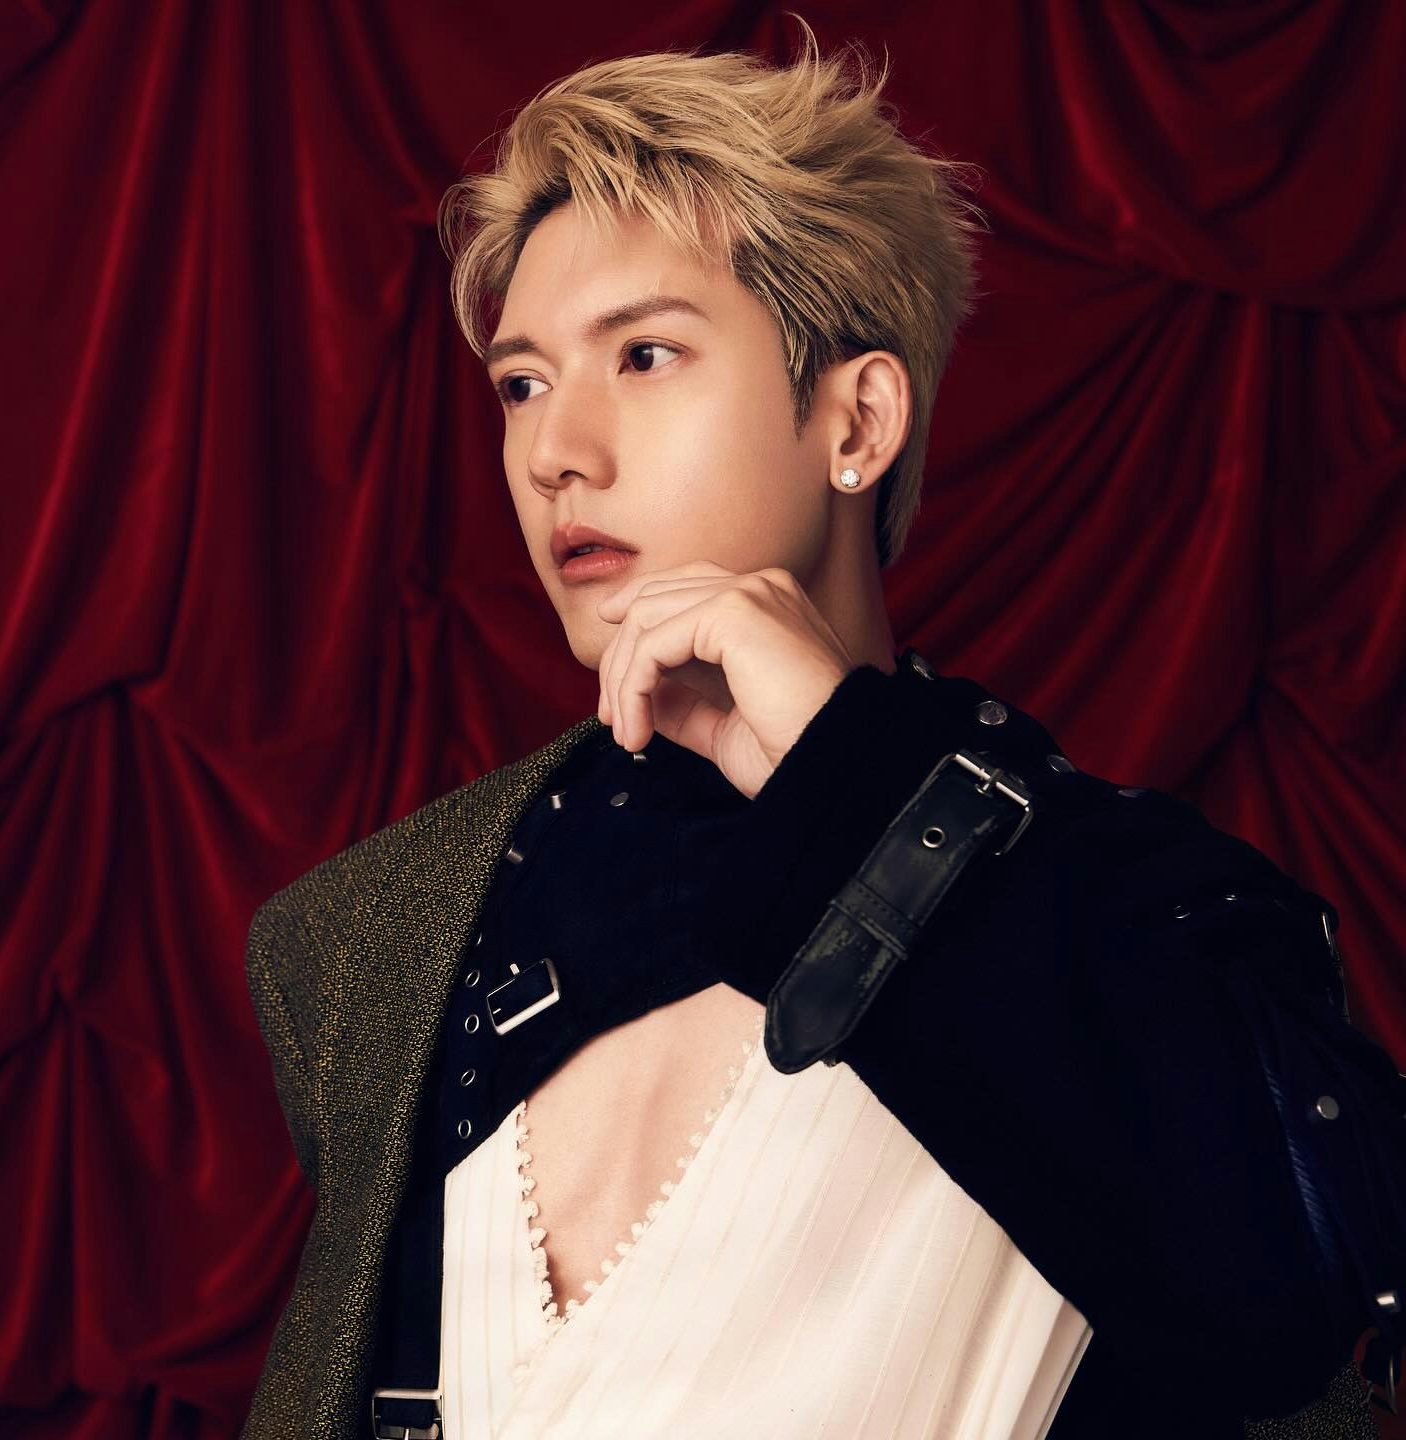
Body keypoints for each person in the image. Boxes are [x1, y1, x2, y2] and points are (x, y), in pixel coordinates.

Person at [239, 18, 1405, 1439]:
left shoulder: (1146, 911)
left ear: (856, 425)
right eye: (523, 383)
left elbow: (1296, 1301)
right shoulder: (370, 940)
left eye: (645, 355)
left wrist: (858, 785)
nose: (554, 453)